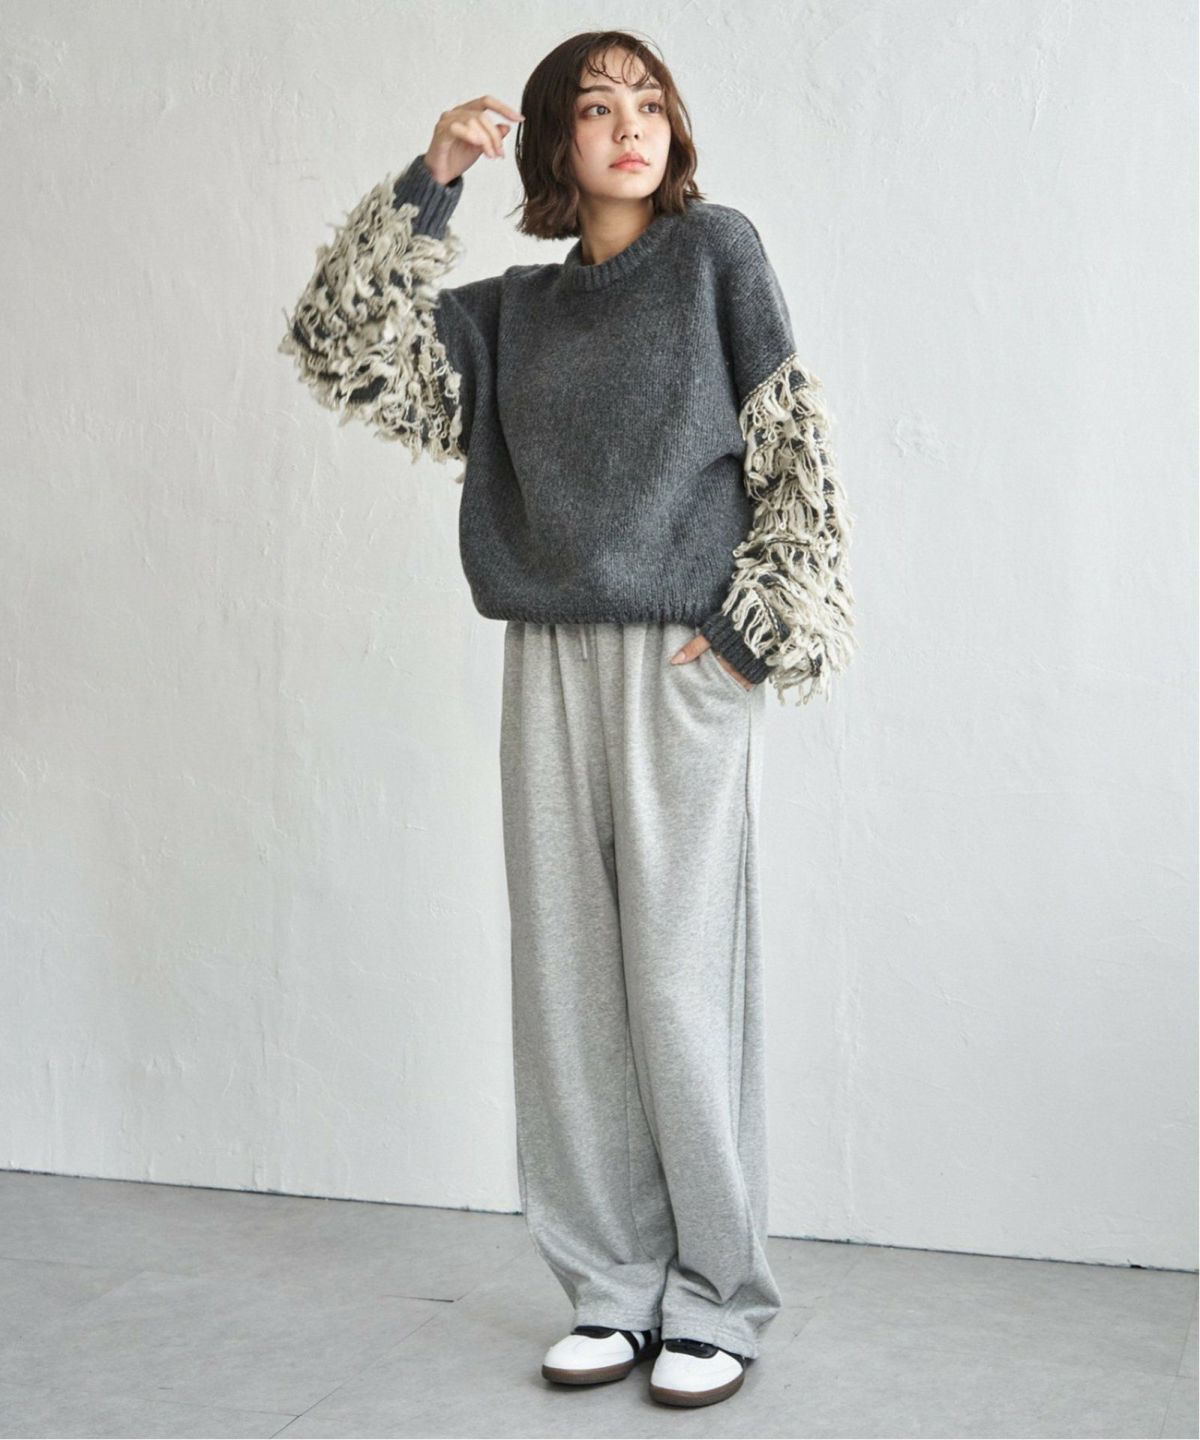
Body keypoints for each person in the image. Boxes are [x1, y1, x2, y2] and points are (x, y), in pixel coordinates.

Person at [278, 29, 856, 1410]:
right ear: (553, 142)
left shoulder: (717, 258)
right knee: (569, 990)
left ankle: (717, 1295)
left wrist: (748, 637)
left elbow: (794, 454)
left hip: (684, 659)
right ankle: (612, 1286)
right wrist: (434, 176)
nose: (628, 125)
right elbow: (342, 345)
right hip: (547, 656)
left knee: (678, 987)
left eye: (647, 101)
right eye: (595, 107)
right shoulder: (514, 316)